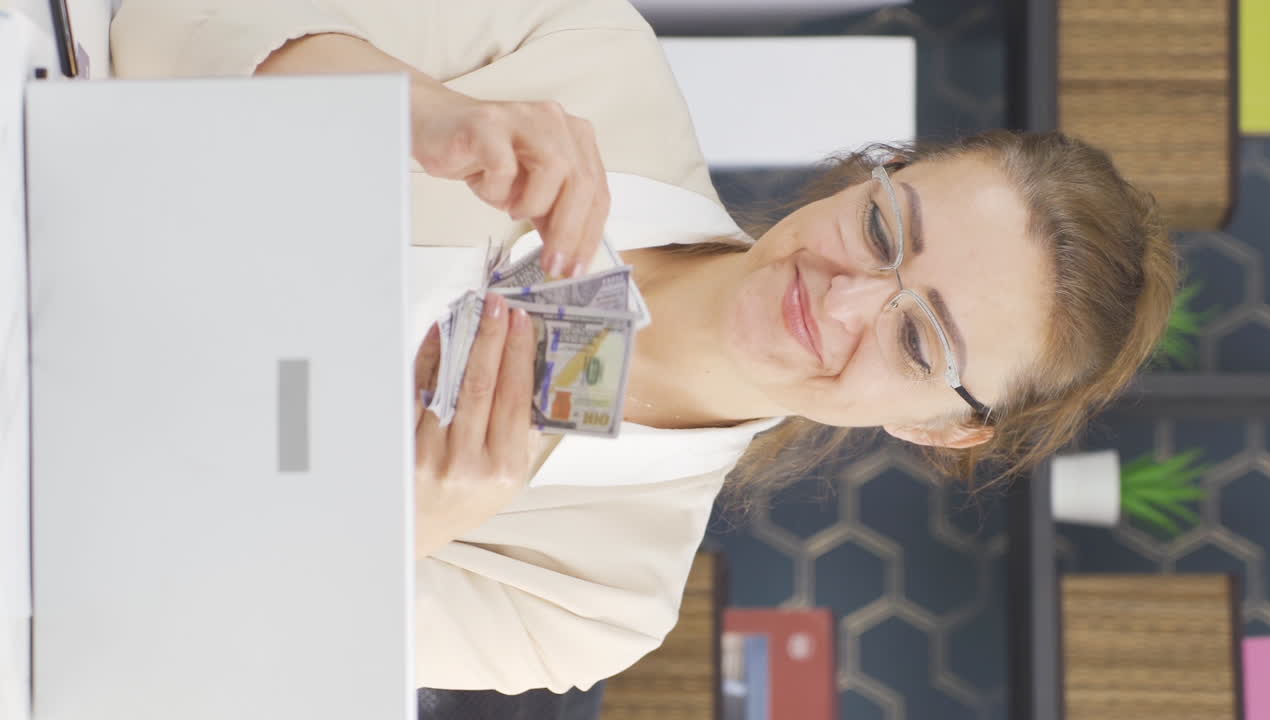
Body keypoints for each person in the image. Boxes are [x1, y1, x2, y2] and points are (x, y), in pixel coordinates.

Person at [110, 0, 1178, 702]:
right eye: (884, 230)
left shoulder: (598, 601)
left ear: (940, 426)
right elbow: (152, 24)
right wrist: (415, 113)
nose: (840, 295)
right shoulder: (593, 54)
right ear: (868, 172)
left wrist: (403, 526)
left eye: (913, 338)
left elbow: (167, 666)